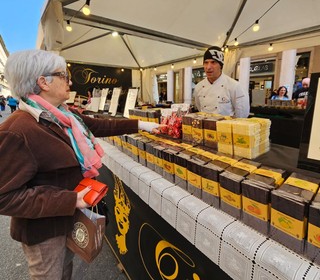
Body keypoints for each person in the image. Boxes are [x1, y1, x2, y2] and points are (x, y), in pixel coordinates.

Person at [0, 49, 162, 280]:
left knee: (65, 272)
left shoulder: (64, 115)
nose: (69, 80)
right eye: (63, 75)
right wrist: (71, 200)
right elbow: (4, 197)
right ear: (43, 82)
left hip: (68, 219)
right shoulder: (18, 130)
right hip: (44, 232)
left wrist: (146, 126)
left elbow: (100, 126)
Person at [194, 46, 250, 118]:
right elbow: (199, 107)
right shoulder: (198, 87)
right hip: (205, 128)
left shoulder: (234, 86)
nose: (208, 67)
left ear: (221, 65)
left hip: (225, 128)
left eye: (213, 62)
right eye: (206, 63)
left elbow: (242, 115)